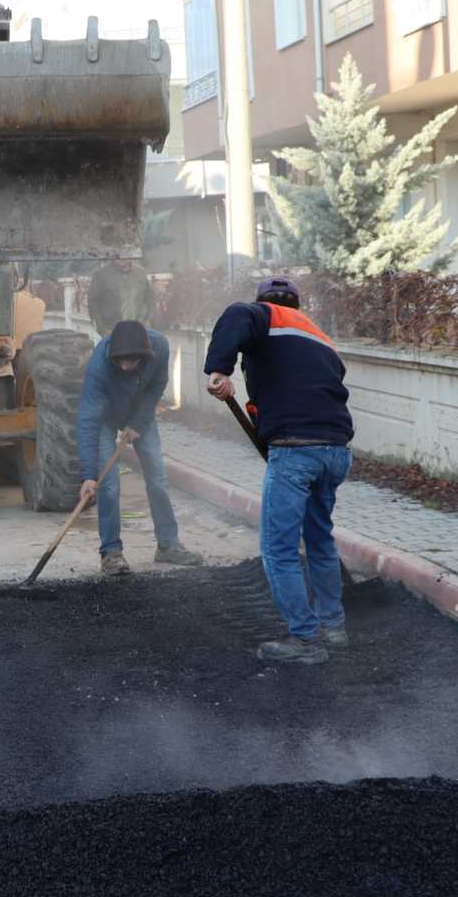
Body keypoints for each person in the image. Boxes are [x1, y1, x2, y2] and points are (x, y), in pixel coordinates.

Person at [204, 277, 354, 666]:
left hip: (295, 451)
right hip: (335, 451)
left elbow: (236, 314)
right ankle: (333, 627)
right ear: (297, 304)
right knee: (319, 538)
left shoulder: (261, 315)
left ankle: (305, 639)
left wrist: (219, 370)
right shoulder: (317, 336)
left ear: (265, 303)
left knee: (279, 548)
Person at [77, 319, 204, 576]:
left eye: (131, 361)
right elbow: (88, 421)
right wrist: (89, 475)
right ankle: (111, 553)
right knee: (109, 485)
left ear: (144, 356)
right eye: (120, 361)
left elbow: (156, 387)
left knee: (157, 477)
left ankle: (168, 545)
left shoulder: (160, 347)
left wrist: (138, 422)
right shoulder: (100, 365)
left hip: (138, 415)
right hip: (104, 419)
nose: (125, 366)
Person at [87, 254, 156, 338]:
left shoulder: (140, 273)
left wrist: (148, 321)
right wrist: (102, 330)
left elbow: (150, 299)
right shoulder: (101, 275)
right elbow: (92, 303)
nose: (122, 256)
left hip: (139, 333)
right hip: (113, 333)